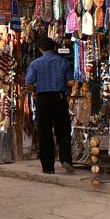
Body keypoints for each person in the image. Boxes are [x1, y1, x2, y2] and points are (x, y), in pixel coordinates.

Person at [24, 36, 75, 174]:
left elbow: (28, 83)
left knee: (44, 132)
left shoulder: (35, 64)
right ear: (54, 48)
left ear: (40, 49)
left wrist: (37, 88)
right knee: (63, 130)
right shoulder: (63, 62)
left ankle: (48, 167)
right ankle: (66, 160)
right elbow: (71, 82)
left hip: (43, 98)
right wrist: (60, 85)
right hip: (59, 97)